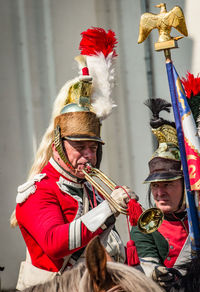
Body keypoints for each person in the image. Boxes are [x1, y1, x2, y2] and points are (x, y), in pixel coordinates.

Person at [12, 27, 136, 290]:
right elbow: (54, 243)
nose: (88, 155)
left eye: (93, 147)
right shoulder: (38, 190)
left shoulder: (93, 188)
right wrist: (108, 208)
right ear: (58, 143)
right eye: (80, 146)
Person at [131, 98, 190, 290]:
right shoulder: (145, 227)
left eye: (167, 184)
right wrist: (157, 273)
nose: (159, 192)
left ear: (185, 184)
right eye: (155, 185)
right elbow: (152, 270)